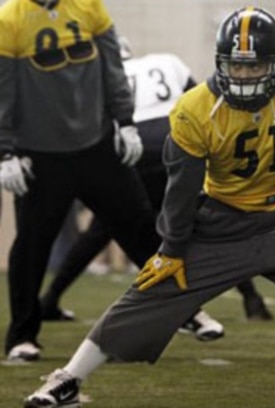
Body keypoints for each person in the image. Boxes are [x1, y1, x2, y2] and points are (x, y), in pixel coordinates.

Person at [24, 6, 275, 408]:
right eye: (236, 66)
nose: (245, 77)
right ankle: (69, 378)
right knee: (153, 286)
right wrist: (172, 249)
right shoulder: (194, 109)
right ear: (219, 62)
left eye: (256, 67)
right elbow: (181, 189)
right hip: (223, 220)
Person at [39, 35, 272, 333]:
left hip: (132, 148)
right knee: (205, 221)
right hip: (175, 138)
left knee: (103, 228)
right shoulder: (166, 61)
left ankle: (51, 299)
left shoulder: (101, 77)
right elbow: (205, 103)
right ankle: (251, 298)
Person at [0, 0, 162, 362]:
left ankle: (182, 311)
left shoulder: (89, 6)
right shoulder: (9, 19)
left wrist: (126, 120)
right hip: (40, 151)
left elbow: (113, 68)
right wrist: (5, 151)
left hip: (95, 142)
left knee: (138, 223)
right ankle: (21, 335)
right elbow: (2, 88)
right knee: (31, 247)